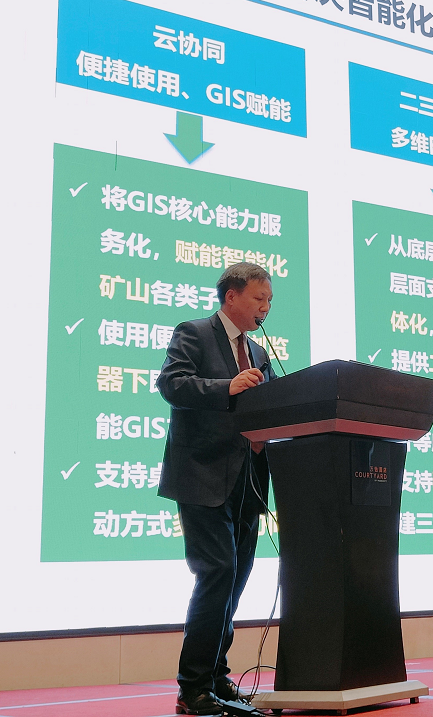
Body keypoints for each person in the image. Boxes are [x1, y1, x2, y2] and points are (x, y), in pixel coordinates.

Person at [157, 262, 277, 716]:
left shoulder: (259, 353)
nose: (266, 308)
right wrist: (227, 386)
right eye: (259, 298)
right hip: (202, 476)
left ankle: (216, 675)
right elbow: (171, 384)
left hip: (249, 481)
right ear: (232, 296)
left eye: (270, 301)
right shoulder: (194, 333)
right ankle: (192, 688)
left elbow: (269, 407)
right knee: (218, 572)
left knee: (236, 577)